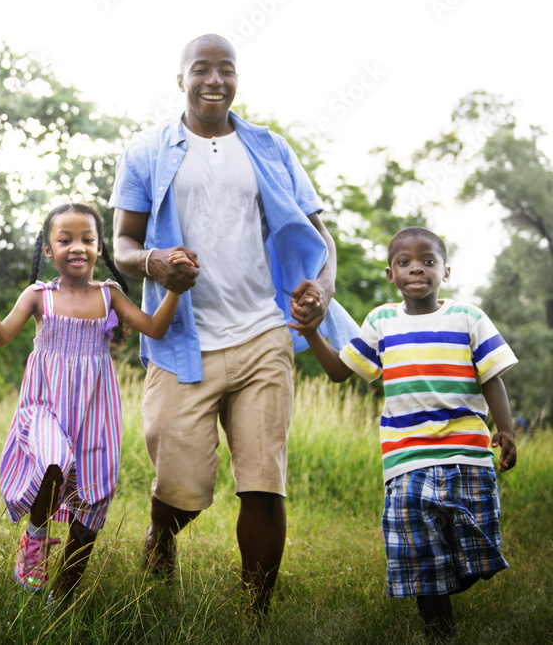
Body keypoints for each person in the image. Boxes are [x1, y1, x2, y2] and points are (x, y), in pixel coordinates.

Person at [110, 33, 359, 613]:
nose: (215, 80)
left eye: (226, 69)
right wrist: (154, 262)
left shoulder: (270, 148)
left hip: (263, 331)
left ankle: (255, 614)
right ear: (181, 80)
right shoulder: (147, 151)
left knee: (263, 482)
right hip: (182, 338)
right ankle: (162, 536)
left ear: (237, 78)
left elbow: (321, 235)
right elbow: (121, 242)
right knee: (183, 486)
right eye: (202, 69)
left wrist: (321, 288)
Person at [300, 227, 517, 642]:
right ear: (390, 274)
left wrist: (504, 429)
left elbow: (492, 375)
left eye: (428, 261)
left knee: (479, 554)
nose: (417, 268)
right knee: (419, 556)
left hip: (465, 453)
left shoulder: (468, 317)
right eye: (405, 263)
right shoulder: (381, 321)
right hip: (405, 460)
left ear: (445, 271)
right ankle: (439, 631)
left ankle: (445, 583)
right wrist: (312, 331)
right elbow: (339, 372)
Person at [0, 202, 188, 601]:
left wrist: (175, 289)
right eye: (65, 239)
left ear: (100, 248)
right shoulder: (38, 296)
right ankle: (34, 541)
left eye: (87, 239)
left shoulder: (110, 295)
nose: (77, 247)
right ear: (49, 250)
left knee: (91, 504)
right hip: (45, 408)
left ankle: (61, 598)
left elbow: (154, 328)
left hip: (96, 413)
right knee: (54, 461)